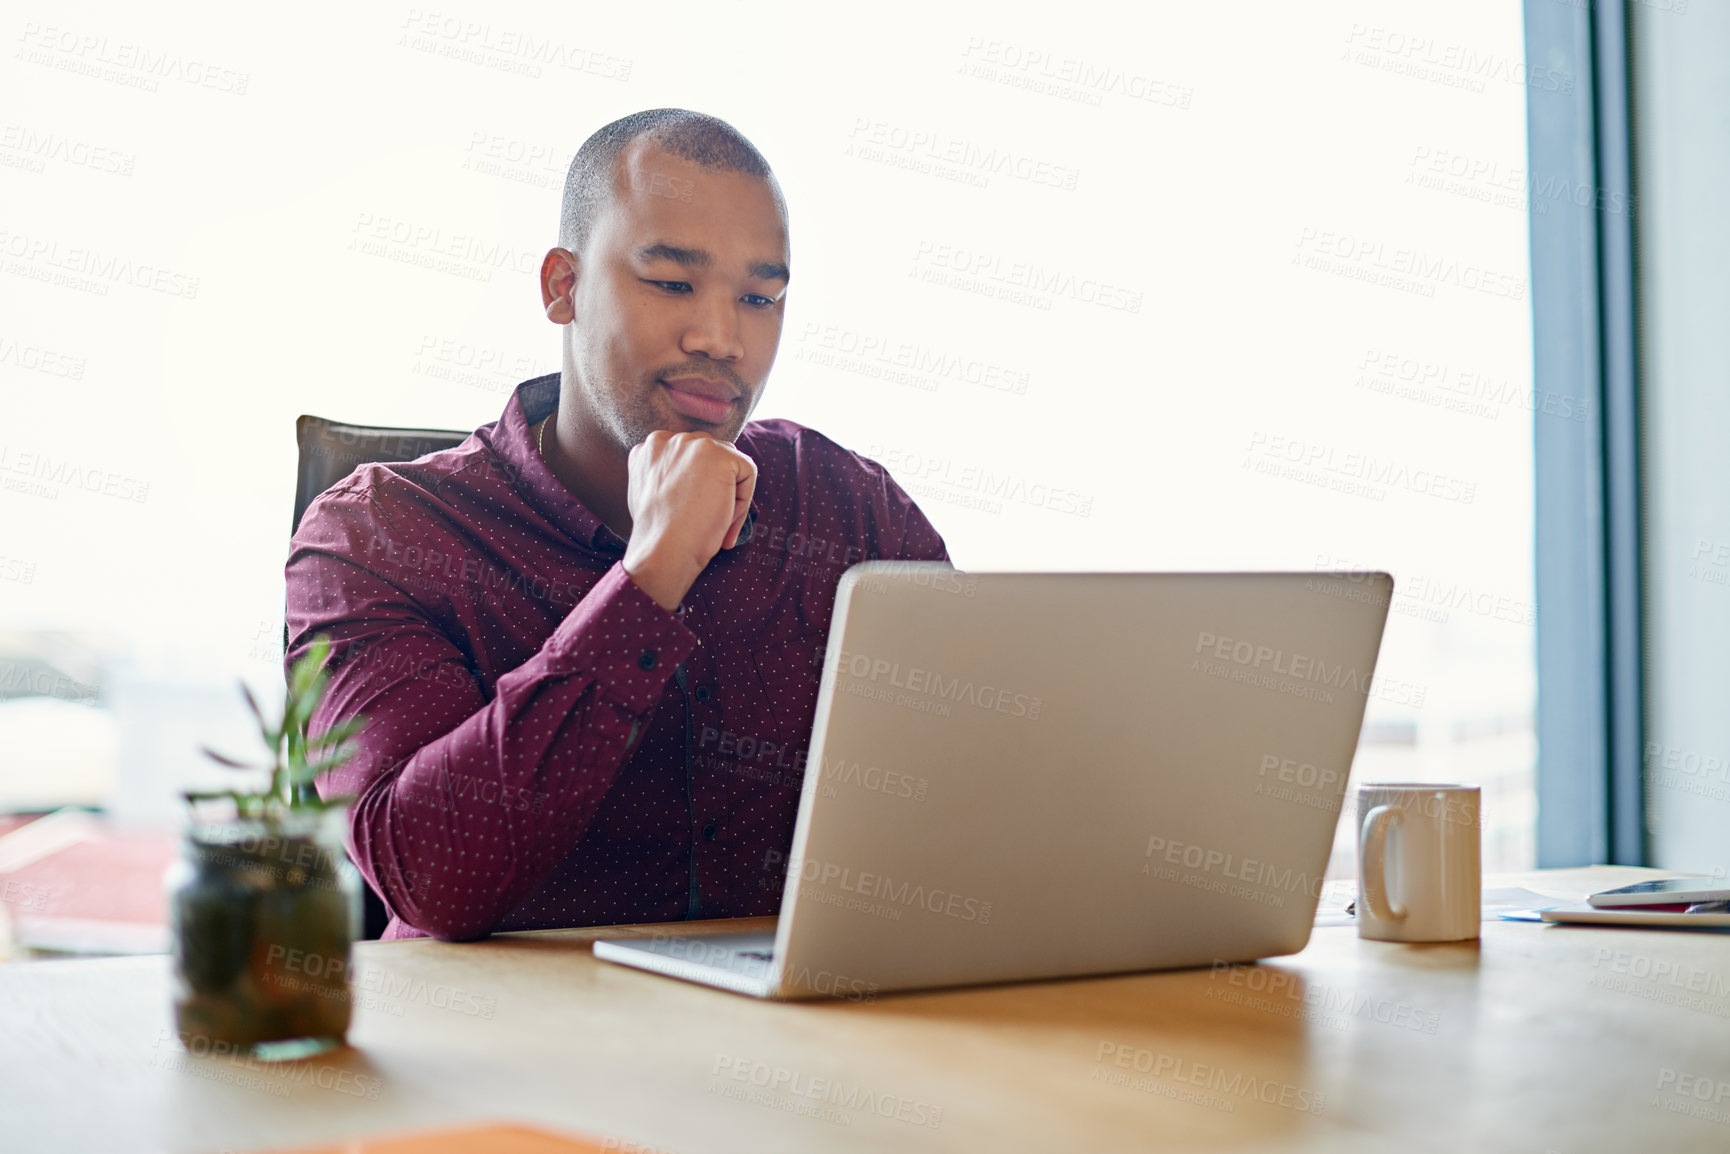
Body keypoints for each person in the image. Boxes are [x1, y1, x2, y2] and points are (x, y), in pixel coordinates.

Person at [284, 109, 950, 941]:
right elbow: (429, 877)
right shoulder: (376, 536)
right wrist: (651, 573)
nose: (722, 338)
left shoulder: (848, 509)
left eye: (759, 298)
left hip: (795, 1046)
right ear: (563, 287)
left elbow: (977, 795)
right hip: (494, 1053)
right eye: (672, 284)